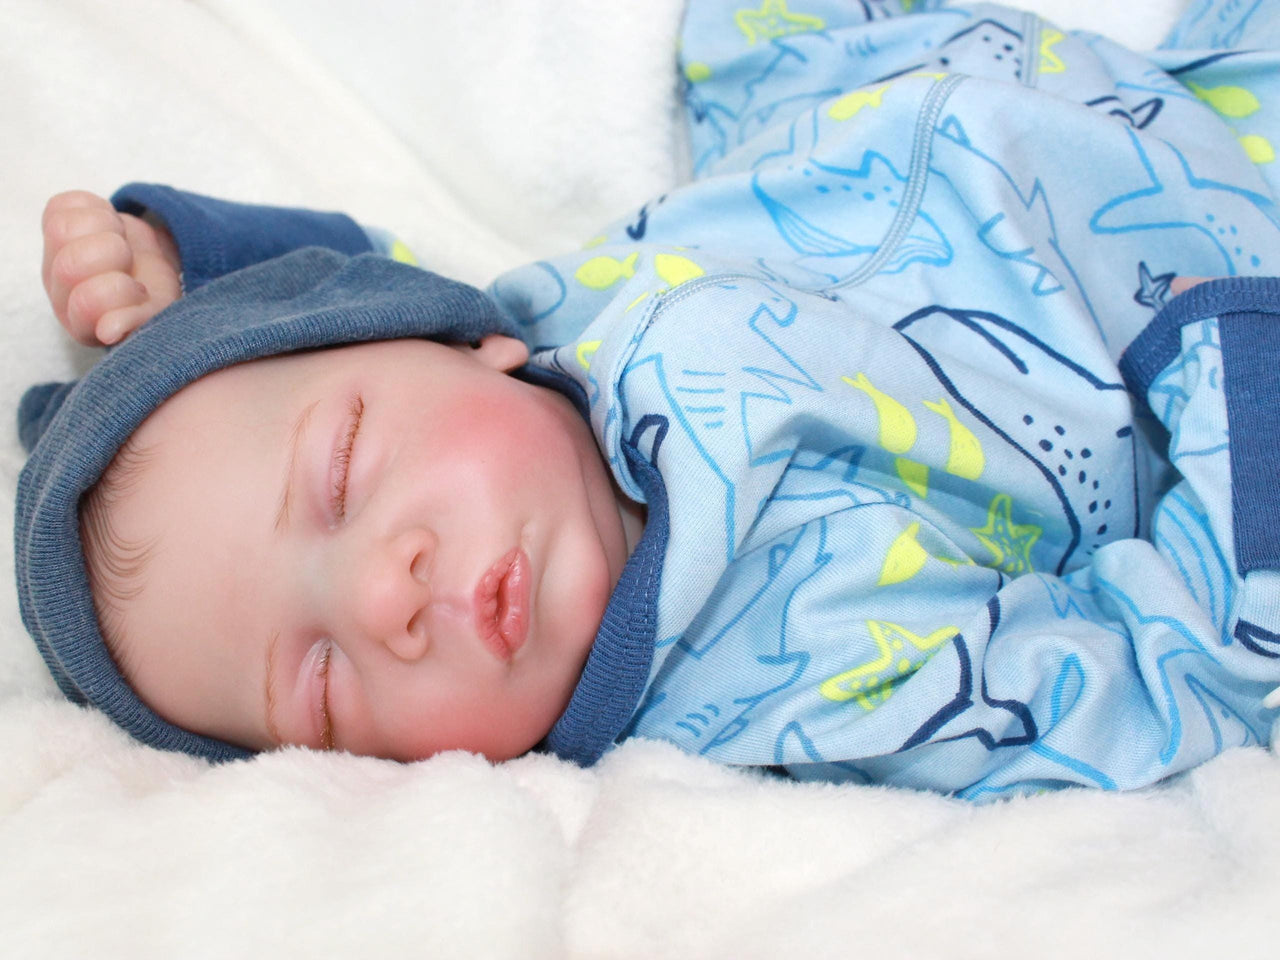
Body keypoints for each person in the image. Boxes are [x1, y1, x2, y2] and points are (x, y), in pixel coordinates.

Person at [16, 0, 1280, 799]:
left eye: (342, 475)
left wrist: (191, 270)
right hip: (1193, 249)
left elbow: (364, 281)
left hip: (893, 83)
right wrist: (1237, 397)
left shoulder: (546, 322)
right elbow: (1149, 678)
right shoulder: (790, 667)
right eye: (325, 689)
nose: (380, 596)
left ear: (464, 346)